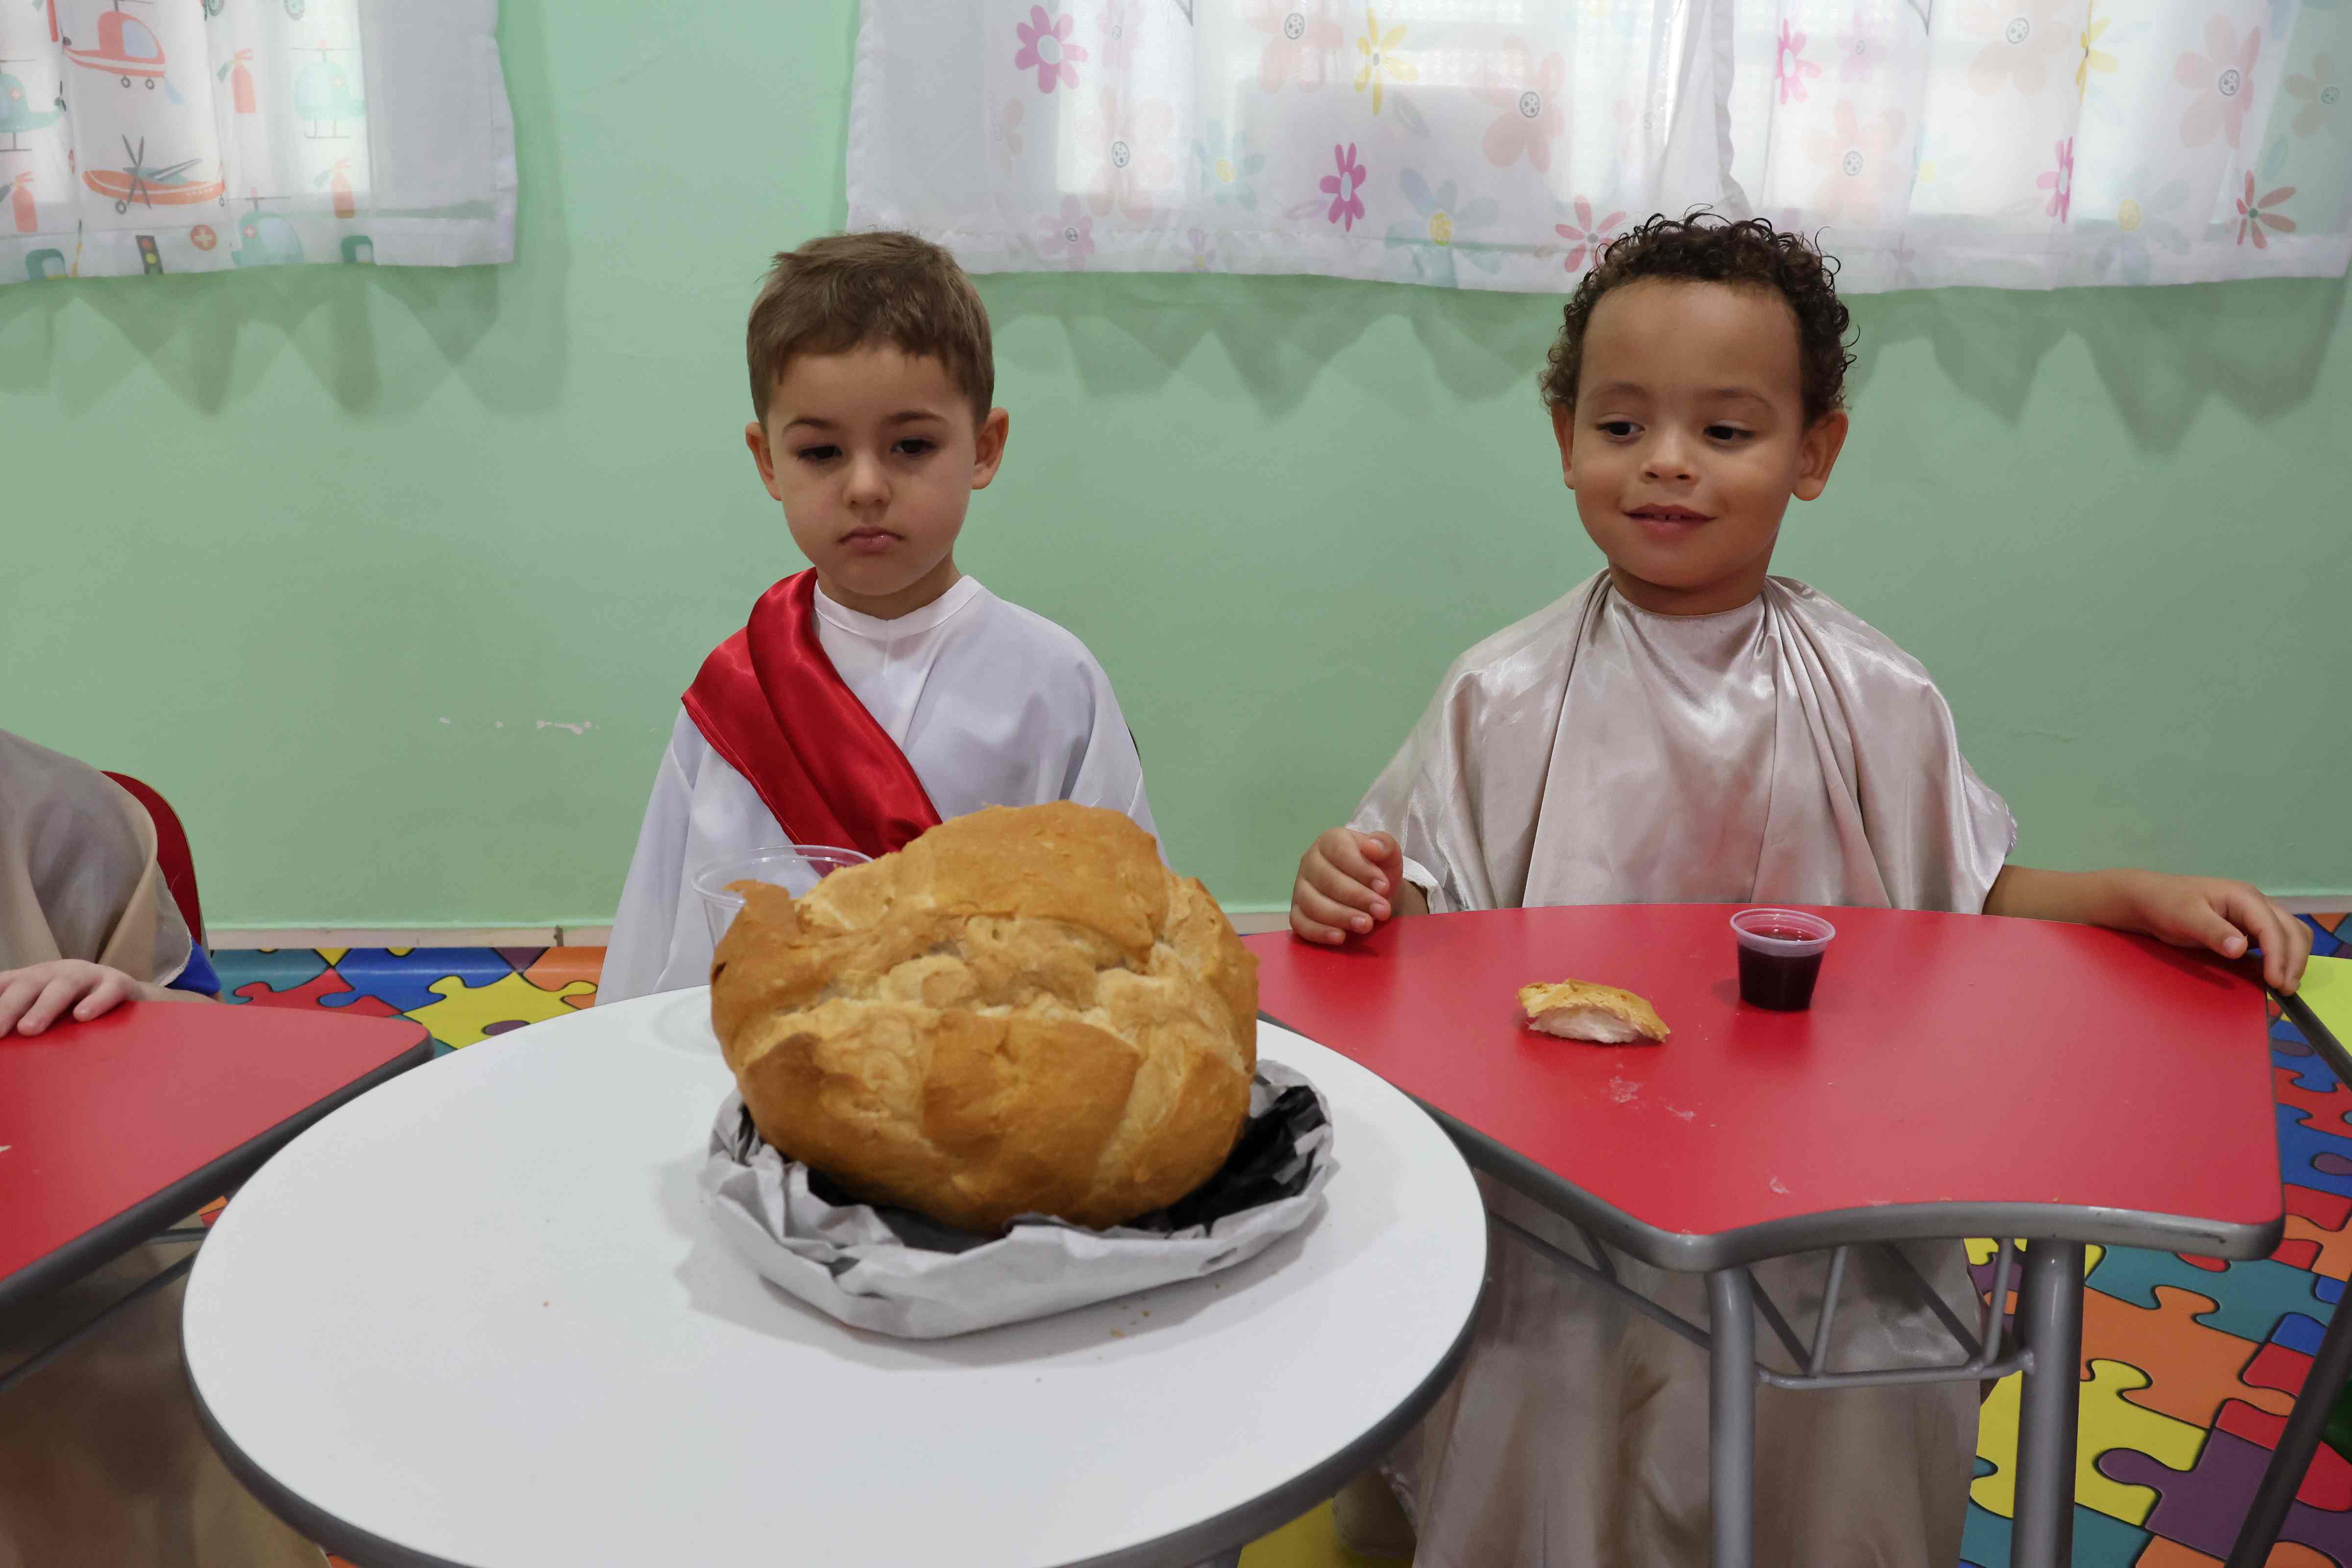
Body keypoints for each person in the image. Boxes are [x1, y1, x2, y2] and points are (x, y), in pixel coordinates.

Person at [1288, 216, 2314, 1566]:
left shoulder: (1877, 693)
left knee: (1873, 1380)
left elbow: (1968, 898)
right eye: (1622, 425)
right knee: (1546, 1381)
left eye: (1725, 431)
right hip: (1569, 1211)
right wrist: (1347, 890)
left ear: (1815, 452)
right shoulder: (1501, 691)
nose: (1666, 461)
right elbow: (1421, 924)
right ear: (1564, 437)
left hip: (1829, 1200)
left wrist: (2132, 896)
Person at [602, 231, 1156, 1003]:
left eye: (911, 445)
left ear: (984, 448)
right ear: (768, 461)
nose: (865, 486)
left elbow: (1128, 924)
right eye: (821, 453)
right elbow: (657, 930)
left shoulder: (1055, 684)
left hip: (981, 1057)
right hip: (746, 1057)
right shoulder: (735, 691)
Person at [0, 729, 321, 1567]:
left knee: (165, 1420)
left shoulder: (58, 812)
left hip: (77, 1283)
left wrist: (127, 1005)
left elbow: (213, 1050)